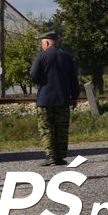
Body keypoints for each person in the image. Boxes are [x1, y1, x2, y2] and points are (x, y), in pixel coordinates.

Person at [29, 30, 80, 166]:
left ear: (46, 42)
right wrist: (74, 97)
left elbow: (33, 75)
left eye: (42, 43)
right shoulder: (67, 57)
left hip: (45, 100)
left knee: (47, 128)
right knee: (61, 128)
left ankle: (50, 156)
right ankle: (60, 157)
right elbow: (74, 79)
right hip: (63, 99)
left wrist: (42, 80)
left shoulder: (41, 56)